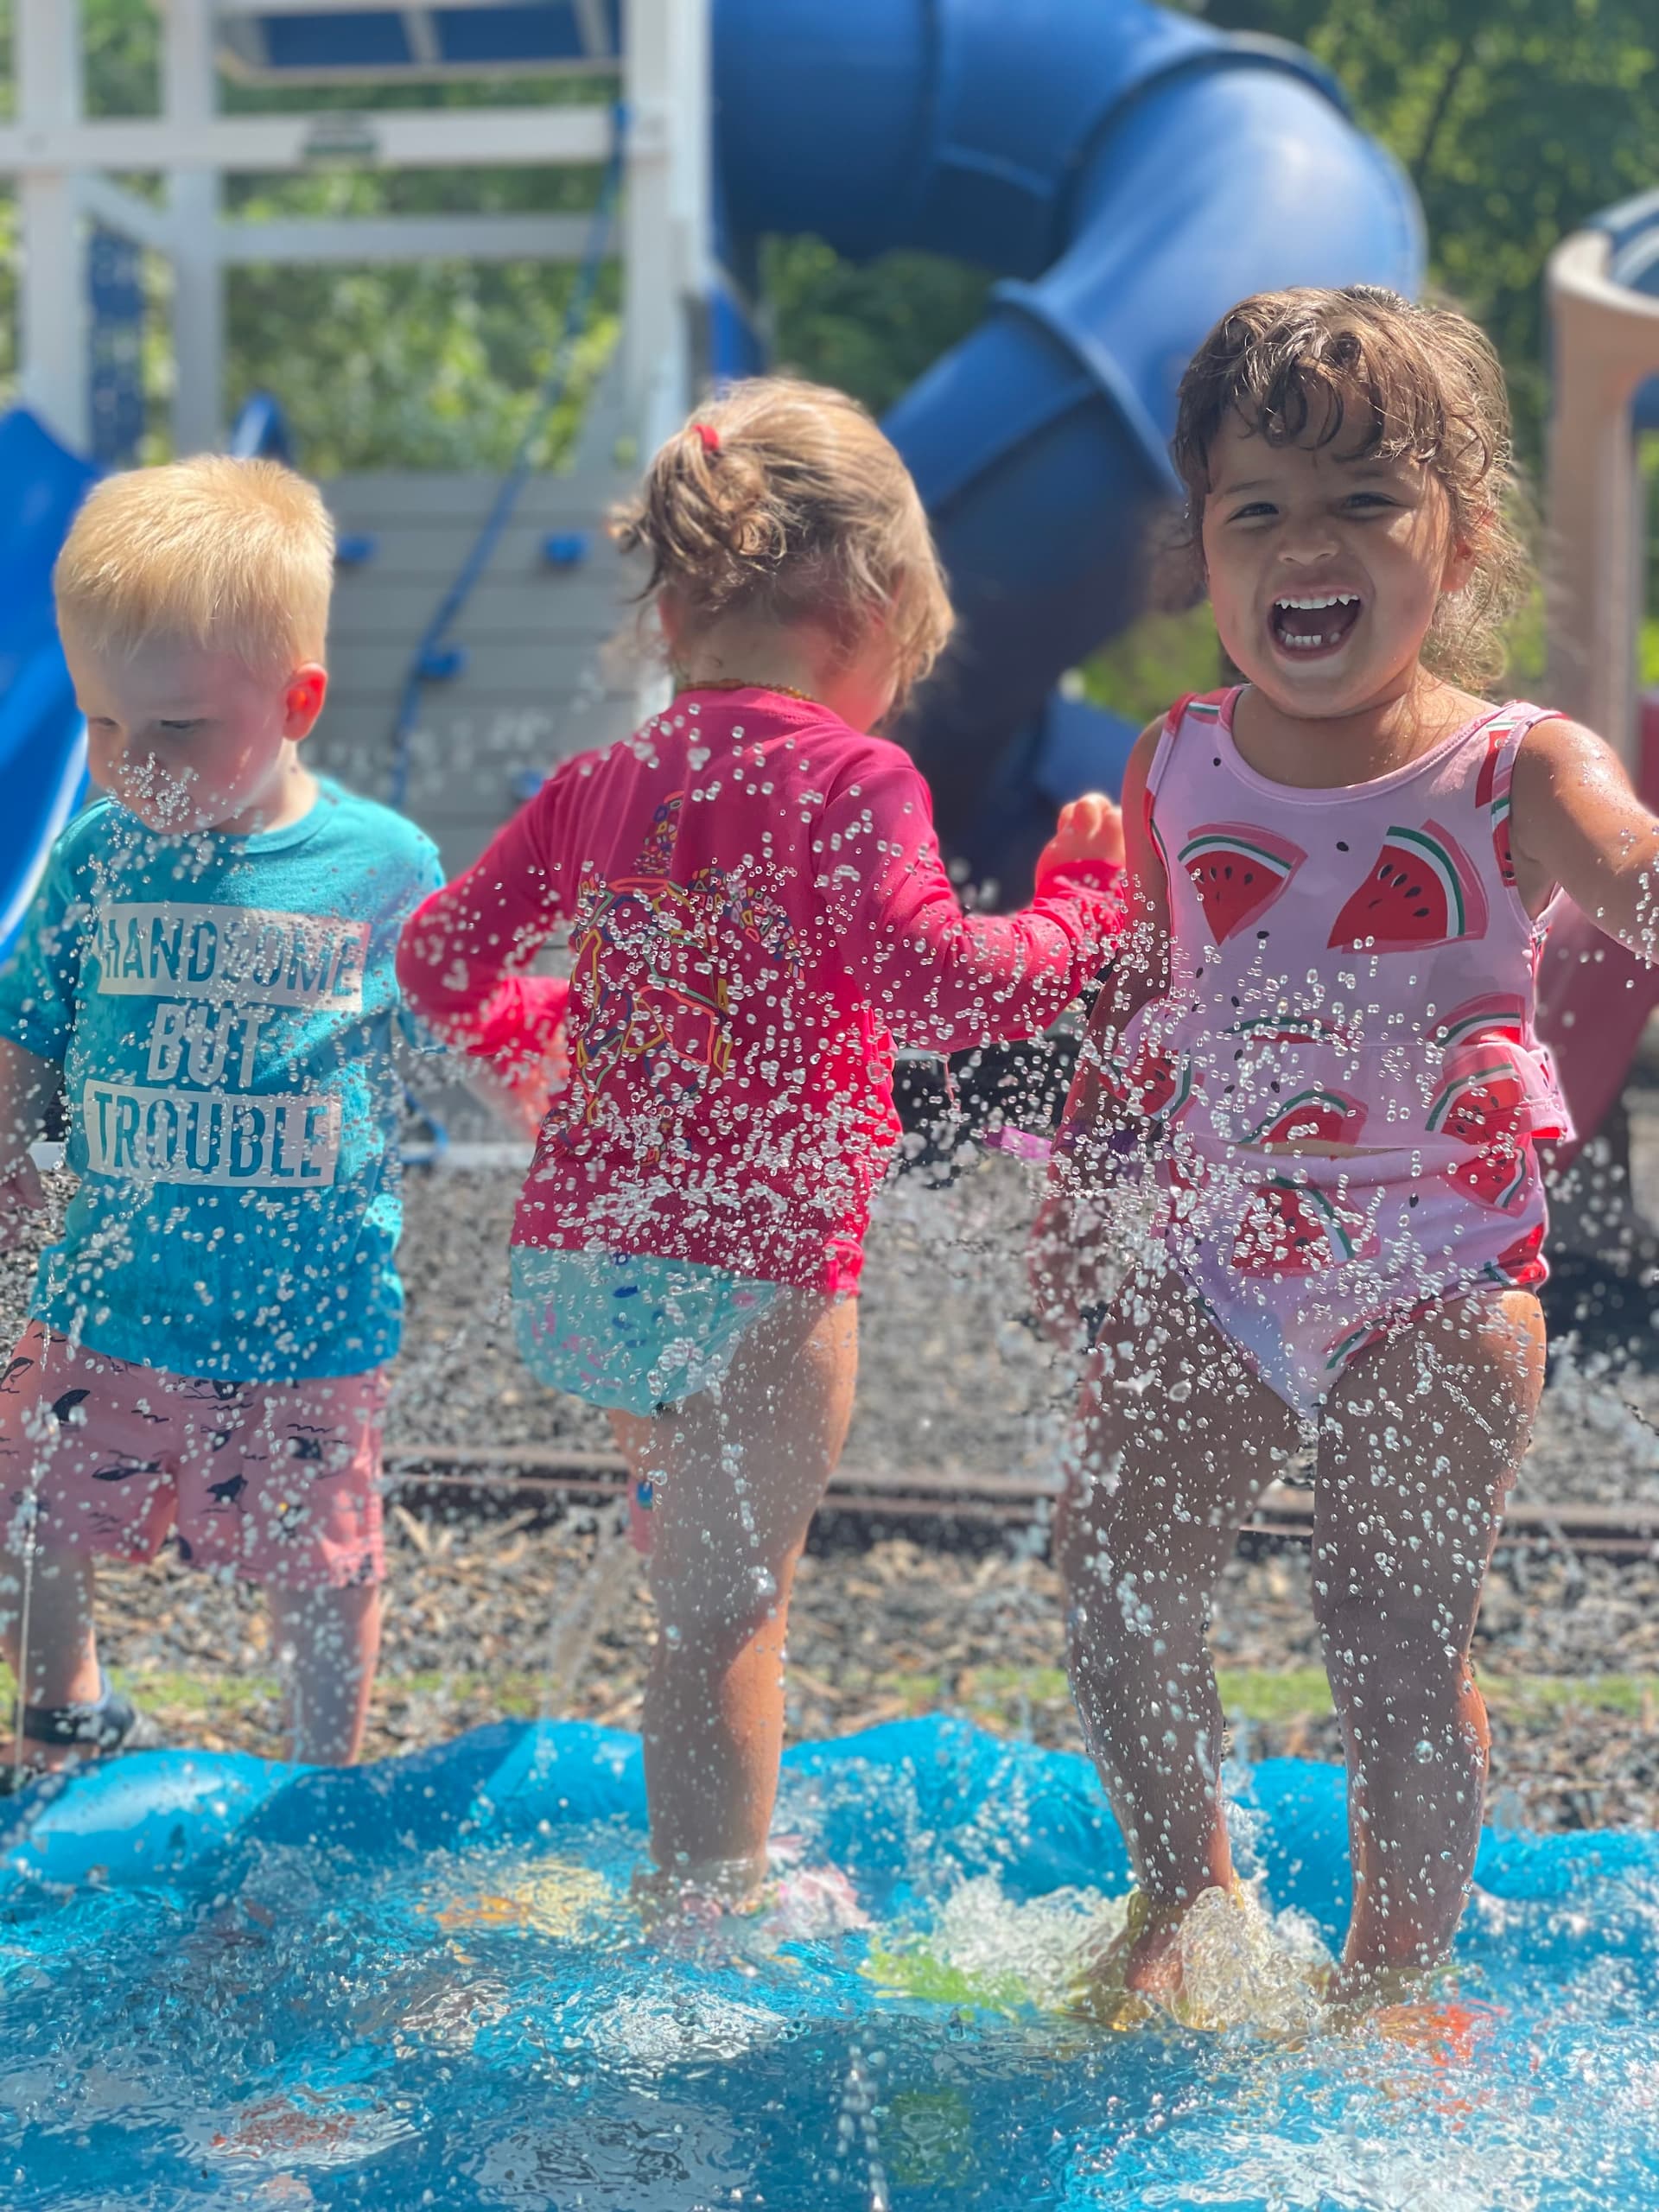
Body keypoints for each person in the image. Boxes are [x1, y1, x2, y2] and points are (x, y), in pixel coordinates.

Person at [397, 378, 1125, 1920]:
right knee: (731, 1613)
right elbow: (940, 989)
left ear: (673, 613)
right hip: (765, 1263)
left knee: (693, 1578)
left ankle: (703, 1844)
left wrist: (543, 1049)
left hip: (594, 1260)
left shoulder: (602, 783)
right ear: (874, 604)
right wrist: (1082, 919)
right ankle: (703, 1915)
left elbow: (440, 958)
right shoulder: (855, 777)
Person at [1036, 284, 1659, 2012]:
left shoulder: (1514, 766)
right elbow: (1149, 996)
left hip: (1442, 1277)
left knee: (1390, 1625)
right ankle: (1186, 1900)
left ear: (1458, 542)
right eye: (1258, 510)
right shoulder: (1177, 763)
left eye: (1365, 501)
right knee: (1114, 1559)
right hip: (1225, 1255)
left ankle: (1394, 1980)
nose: (1307, 545)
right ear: (1204, 551)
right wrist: (1082, 1190)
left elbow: (1631, 866)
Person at [0, 455, 443, 1777]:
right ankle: (66, 1708)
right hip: (108, 1292)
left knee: (320, 1558)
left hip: (308, 1317)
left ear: (298, 701)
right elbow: (27, 1025)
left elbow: (467, 1021)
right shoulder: (99, 854)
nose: (131, 765)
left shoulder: (381, 868)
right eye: (103, 723)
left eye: (177, 729)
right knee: (29, 1502)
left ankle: (320, 1773)